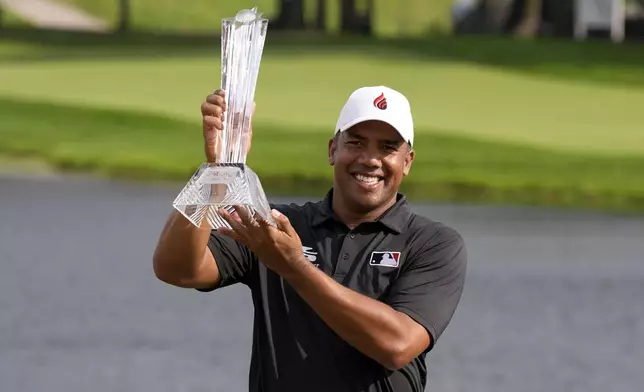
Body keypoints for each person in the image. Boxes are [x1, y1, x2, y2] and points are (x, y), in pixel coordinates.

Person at [152, 85, 468, 392]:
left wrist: (294, 266)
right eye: (356, 143)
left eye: (387, 148)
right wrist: (216, 172)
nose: (370, 159)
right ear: (333, 150)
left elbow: (396, 345)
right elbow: (177, 268)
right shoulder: (276, 224)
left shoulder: (433, 244)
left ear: (408, 161)